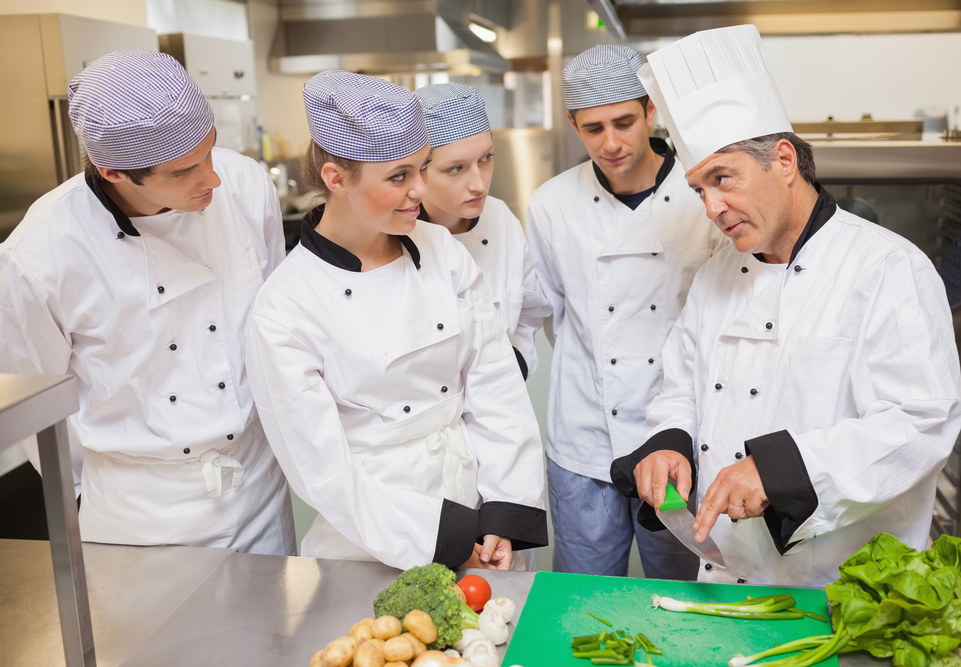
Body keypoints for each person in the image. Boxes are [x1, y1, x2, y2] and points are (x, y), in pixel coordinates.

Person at [612, 24, 961, 586]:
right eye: (700, 189)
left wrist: (783, 471)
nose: (712, 207)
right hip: (727, 577)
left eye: (723, 179)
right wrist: (669, 443)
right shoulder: (716, 276)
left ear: (783, 160)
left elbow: (920, 425)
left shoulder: (886, 269)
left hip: (843, 583)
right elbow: (680, 388)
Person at [244, 71, 547, 571]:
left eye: (421, 169)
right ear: (336, 180)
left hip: (475, 503)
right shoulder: (285, 305)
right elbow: (320, 468)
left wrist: (503, 511)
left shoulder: (442, 251)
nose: (419, 191)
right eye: (398, 176)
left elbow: (496, 387)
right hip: (370, 534)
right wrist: (446, 538)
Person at [0, 51, 294, 555]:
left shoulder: (246, 185)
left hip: (259, 481)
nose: (212, 180)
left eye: (210, 153)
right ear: (113, 172)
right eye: (183, 172)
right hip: (141, 508)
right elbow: (39, 400)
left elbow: (275, 325)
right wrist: (92, 483)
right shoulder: (39, 256)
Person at [526, 45, 726, 578]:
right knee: (582, 599)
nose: (610, 144)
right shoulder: (551, 204)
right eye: (593, 129)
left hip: (678, 436)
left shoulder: (701, 192)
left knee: (683, 593)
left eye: (623, 122)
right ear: (573, 124)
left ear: (650, 112)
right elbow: (552, 312)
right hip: (585, 432)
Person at [414, 83, 551, 380]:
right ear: (419, 170)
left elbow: (527, 313)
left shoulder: (500, 217)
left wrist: (515, 365)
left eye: (486, 159)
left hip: (502, 410)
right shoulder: (393, 236)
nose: (479, 184)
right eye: (456, 169)